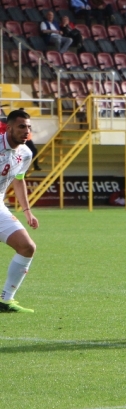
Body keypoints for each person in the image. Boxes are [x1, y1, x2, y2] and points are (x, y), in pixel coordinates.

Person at [0, 110, 39, 313]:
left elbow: (19, 180)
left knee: (27, 247)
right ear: (9, 127)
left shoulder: (25, 153)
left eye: (29, 127)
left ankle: (6, 299)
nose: (26, 131)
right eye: (21, 126)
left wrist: (27, 211)